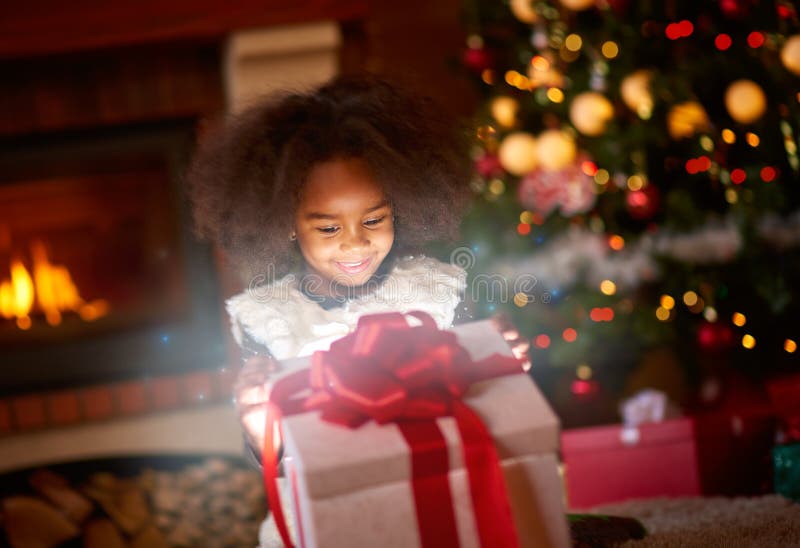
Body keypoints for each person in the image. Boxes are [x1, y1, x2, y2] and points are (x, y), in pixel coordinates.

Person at [187, 75, 513, 545]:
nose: (355, 242)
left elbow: (479, 402)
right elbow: (276, 463)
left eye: (374, 220)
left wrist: (497, 361)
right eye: (327, 228)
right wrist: (262, 430)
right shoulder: (267, 316)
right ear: (287, 225)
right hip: (330, 517)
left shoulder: (437, 290)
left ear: (399, 207)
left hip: (433, 493)